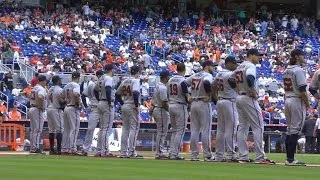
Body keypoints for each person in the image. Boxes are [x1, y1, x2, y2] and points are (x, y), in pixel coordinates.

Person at [233, 49, 275, 164]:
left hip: (240, 97)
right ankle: (260, 157)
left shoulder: (239, 66)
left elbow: (232, 81)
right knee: (259, 126)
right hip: (248, 97)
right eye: (257, 56)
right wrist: (252, 90)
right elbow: (250, 77)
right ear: (251, 55)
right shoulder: (250, 65)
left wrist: (238, 90)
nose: (259, 58)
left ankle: (243, 156)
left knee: (242, 127)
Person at [185, 60, 215, 161]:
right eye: (212, 66)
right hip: (203, 102)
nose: (213, 68)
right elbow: (206, 82)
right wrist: (209, 95)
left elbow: (183, 84)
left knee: (194, 130)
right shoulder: (207, 75)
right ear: (207, 66)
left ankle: (194, 155)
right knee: (206, 130)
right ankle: (207, 155)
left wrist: (188, 95)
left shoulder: (194, 75)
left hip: (193, 103)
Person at [283, 49, 309, 166]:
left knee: (290, 130)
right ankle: (291, 159)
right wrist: (308, 104)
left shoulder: (287, 70)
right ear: (297, 57)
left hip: (288, 99)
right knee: (294, 130)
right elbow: (303, 90)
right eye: (302, 56)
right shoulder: (298, 70)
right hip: (297, 100)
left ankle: (288, 158)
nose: (304, 58)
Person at [212, 56, 239, 162]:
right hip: (229, 102)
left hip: (220, 101)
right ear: (228, 63)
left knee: (221, 130)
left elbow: (212, 87)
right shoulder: (230, 74)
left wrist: (215, 99)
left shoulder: (219, 74)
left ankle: (219, 155)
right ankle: (231, 155)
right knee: (231, 129)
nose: (235, 65)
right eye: (233, 63)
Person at [116, 65, 143, 159]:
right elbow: (135, 93)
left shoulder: (124, 81)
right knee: (133, 129)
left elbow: (117, 94)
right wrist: (136, 106)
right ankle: (131, 152)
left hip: (125, 105)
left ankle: (123, 152)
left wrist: (122, 103)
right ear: (137, 72)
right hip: (132, 106)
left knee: (125, 129)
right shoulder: (135, 81)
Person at [168, 63, 190, 160]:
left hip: (171, 104)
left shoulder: (170, 80)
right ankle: (174, 154)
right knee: (180, 131)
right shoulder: (183, 81)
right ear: (184, 70)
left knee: (175, 131)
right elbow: (187, 97)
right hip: (180, 105)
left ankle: (171, 152)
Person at [95, 65, 117, 157]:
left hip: (101, 102)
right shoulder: (108, 78)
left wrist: (99, 99)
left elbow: (95, 90)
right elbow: (108, 89)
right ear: (111, 70)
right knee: (106, 128)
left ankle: (99, 150)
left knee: (102, 128)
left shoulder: (101, 78)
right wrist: (108, 102)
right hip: (106, 103)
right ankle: (105, 150)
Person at [81, 70, 104, 156]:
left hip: (103, 108)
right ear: (97, 76)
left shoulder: (106, 84)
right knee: (90, 129)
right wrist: (86, 106)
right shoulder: (92, 85)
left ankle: (100, 150)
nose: (101, 77)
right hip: (94, 107)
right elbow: (83, 94)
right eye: (100, 75)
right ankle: (85, 149)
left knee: (103, 129)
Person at [61, 71, 82, 155]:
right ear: (78, 77)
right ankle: (72, 148)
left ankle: (65, 148)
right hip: (73, 107)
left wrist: (66, 101)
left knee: (66, 129)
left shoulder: (66, 85)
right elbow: (76, 93)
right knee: (74, 128)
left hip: (67, 107)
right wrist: (78, 103)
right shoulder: (76, 85)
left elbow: (61, 97)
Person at [152, 70, 170, 159]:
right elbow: (164, 102)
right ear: (166, 77)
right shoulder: (163, 87)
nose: (169, 78)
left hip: (157, 108)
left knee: (161, 131)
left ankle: (159, 152)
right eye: (168, 76)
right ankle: (159, 152)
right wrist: (170, 111)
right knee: (162, 132)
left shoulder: (157, 86)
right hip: (161, 109)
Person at [28, 75, 47, 153]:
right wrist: (41, 106)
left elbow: (29, 96)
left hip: (32, 108)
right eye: (45, 81)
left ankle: (33, 147)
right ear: (43, 81)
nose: (46, 82)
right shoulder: (41, 88)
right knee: (38, 129)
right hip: (37, 109)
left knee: (33, 130)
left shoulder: (34, 88)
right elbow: (40, 97)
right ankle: (35, 147)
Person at [47, 75, 64, 155]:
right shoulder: (60, 89)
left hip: (49, 108)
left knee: (51, 130)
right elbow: (61, 101)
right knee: (59, 130)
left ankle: (51, 149)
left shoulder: (50, 89)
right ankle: (59, 149)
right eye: (60, 80)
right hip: (56, 109)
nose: (61, 81)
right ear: (57, 81)